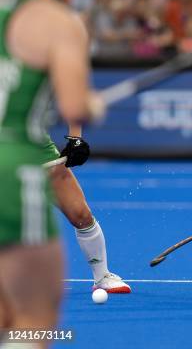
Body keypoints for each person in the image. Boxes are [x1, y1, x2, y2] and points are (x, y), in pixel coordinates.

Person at [0, 0, 103, 343]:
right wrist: (93, 106)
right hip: (14, 167)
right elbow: (74, 102)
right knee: (32, 322)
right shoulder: (55, 20)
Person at [44, 125, 131, 294]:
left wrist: (76, 138)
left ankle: (102, 276)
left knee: (80, 215)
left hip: (35, 147)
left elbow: (71, 103)